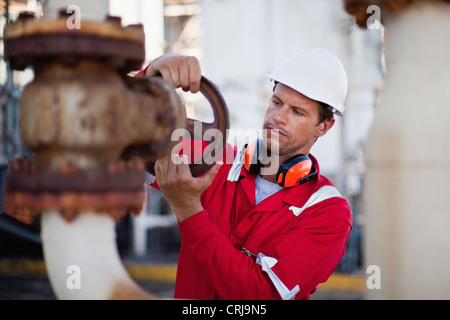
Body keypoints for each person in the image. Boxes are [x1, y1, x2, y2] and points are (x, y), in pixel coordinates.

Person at [137, 48, 352, 300]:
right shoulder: (216, 162)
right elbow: (128, 137)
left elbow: (260, 294)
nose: (277, 117)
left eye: (297, 111)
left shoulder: (328, 213)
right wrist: (151, 78)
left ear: (324, 126)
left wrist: (189, 211)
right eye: (277, 102)